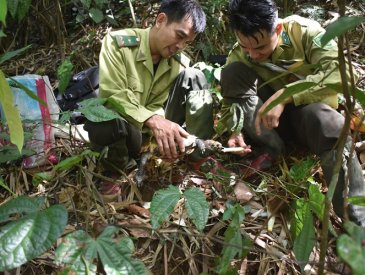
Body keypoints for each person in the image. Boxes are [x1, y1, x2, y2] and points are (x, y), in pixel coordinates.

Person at [218, 0, 365, 226]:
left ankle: (357, 222)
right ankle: (270, 148)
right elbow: (231, 99)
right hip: (268, 125)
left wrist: (288, 94)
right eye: (246, 47)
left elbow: (341, 74)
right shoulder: (240, 53)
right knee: (232, 73)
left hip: (309, 117)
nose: (253, 54)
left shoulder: (304, 32)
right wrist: (235, 128)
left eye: (260, 47)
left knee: (331, 123)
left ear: (277, 29)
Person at [84, 0, 214, 196]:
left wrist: (164, 127)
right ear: (161, 20)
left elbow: (158, 104)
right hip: (126, 130)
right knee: (101, 112)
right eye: (179, 36)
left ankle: (198, 155)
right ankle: (115, 171)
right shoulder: (118, 44)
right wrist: (154, 121)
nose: (180, 46)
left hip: (151, 135)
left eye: (187, 42)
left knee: (194, 76)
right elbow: (112, 94)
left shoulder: (178, 62)